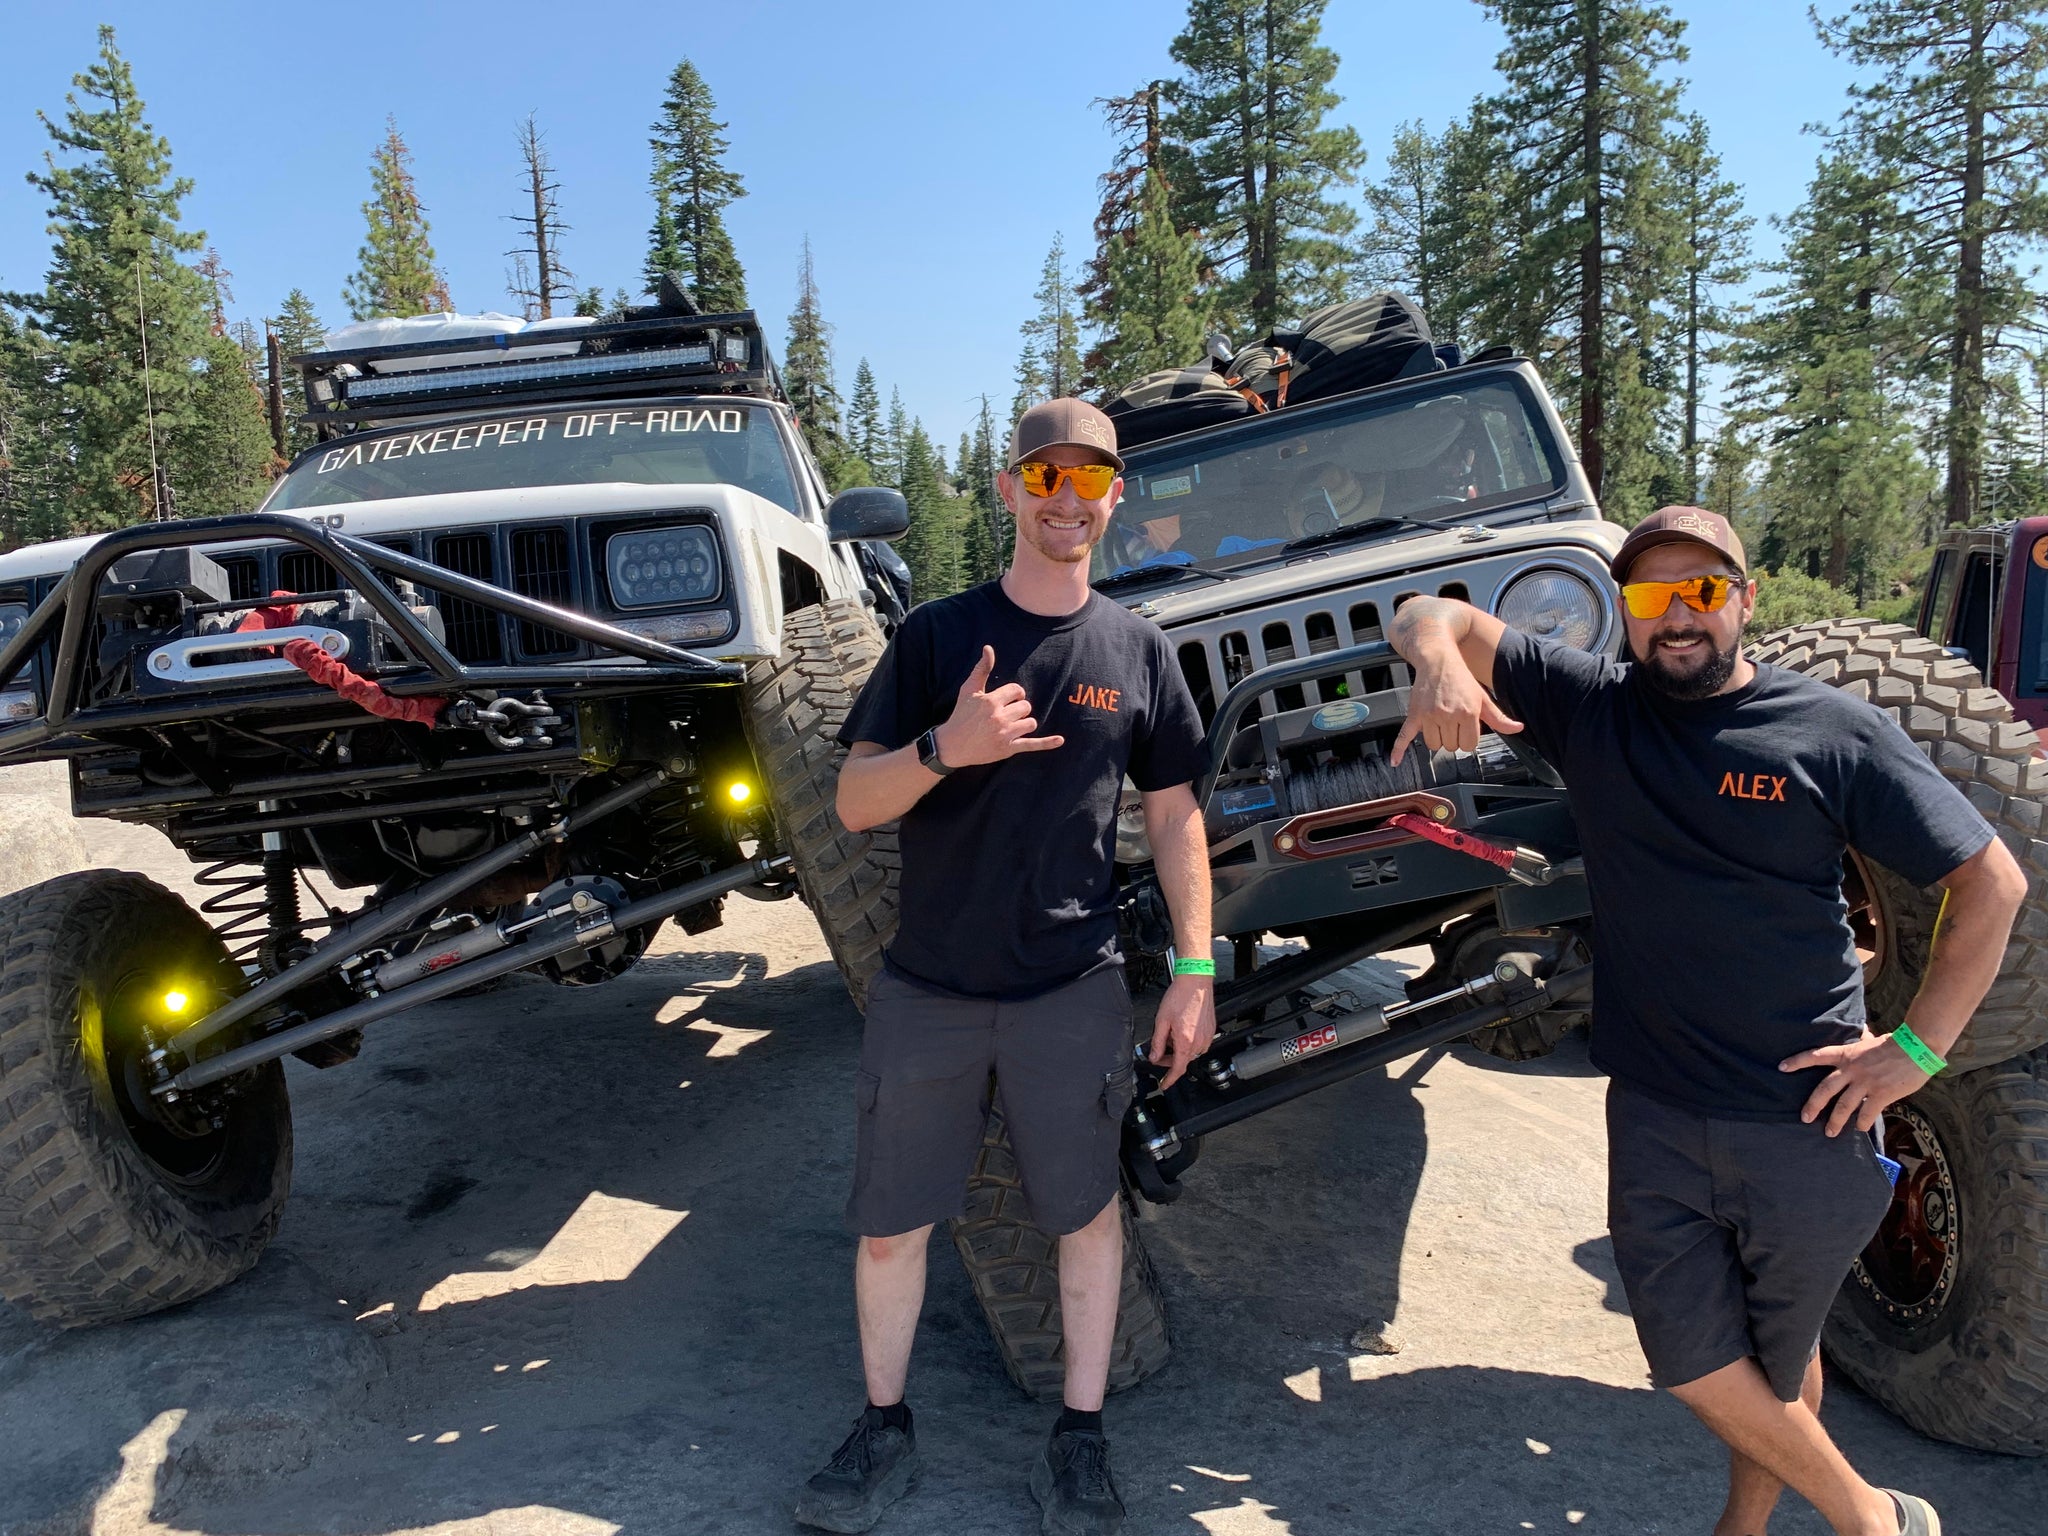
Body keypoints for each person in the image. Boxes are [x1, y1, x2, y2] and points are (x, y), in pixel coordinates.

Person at [1385, 505, 2026, 1536]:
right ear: (1623, 612)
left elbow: (1989, 882)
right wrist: (1439, 665)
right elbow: (1427, 609)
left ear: (1743, 599)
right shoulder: (1591, 706)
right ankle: (1873, 1520)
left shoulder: (1828, 730)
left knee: (1780, 1355)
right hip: (1656, 1112)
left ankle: (1745, 1528)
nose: (1675, 616)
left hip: (1806, 1114)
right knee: (1690, 1360)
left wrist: (1913, 1050)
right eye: (1649, 596)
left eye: (1701, 590)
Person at [796, 398, 1217, 1536]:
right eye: (1046, 478)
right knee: (891, 1223)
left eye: (1089, 480)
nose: (1066, 499)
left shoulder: (1136, 650)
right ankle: (882, 1429)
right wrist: (948, 746)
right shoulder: (936, 636)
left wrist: (1192, 967)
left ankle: (1078, 1441)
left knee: (1084, 1216)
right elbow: (852, 799)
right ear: (1009, 489)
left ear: (1113, 496)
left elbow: (1175, 818)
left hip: (1069, 991)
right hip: (929, 987)